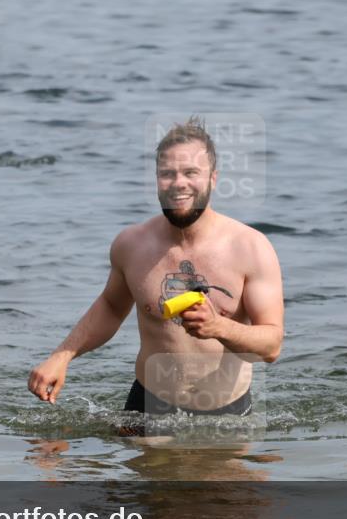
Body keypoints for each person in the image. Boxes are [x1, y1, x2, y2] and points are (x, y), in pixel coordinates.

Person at [28, 117, 284, 422]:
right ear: (156, 179)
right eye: (167, 174)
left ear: (213, 178)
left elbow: (271, 345)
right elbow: (110, 307)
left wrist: (219, 327)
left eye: (191, 173)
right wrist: (63, 355)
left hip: (227, 413)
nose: (179, 183)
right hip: (146, 407)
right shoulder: (132, 244)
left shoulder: (250, 247)